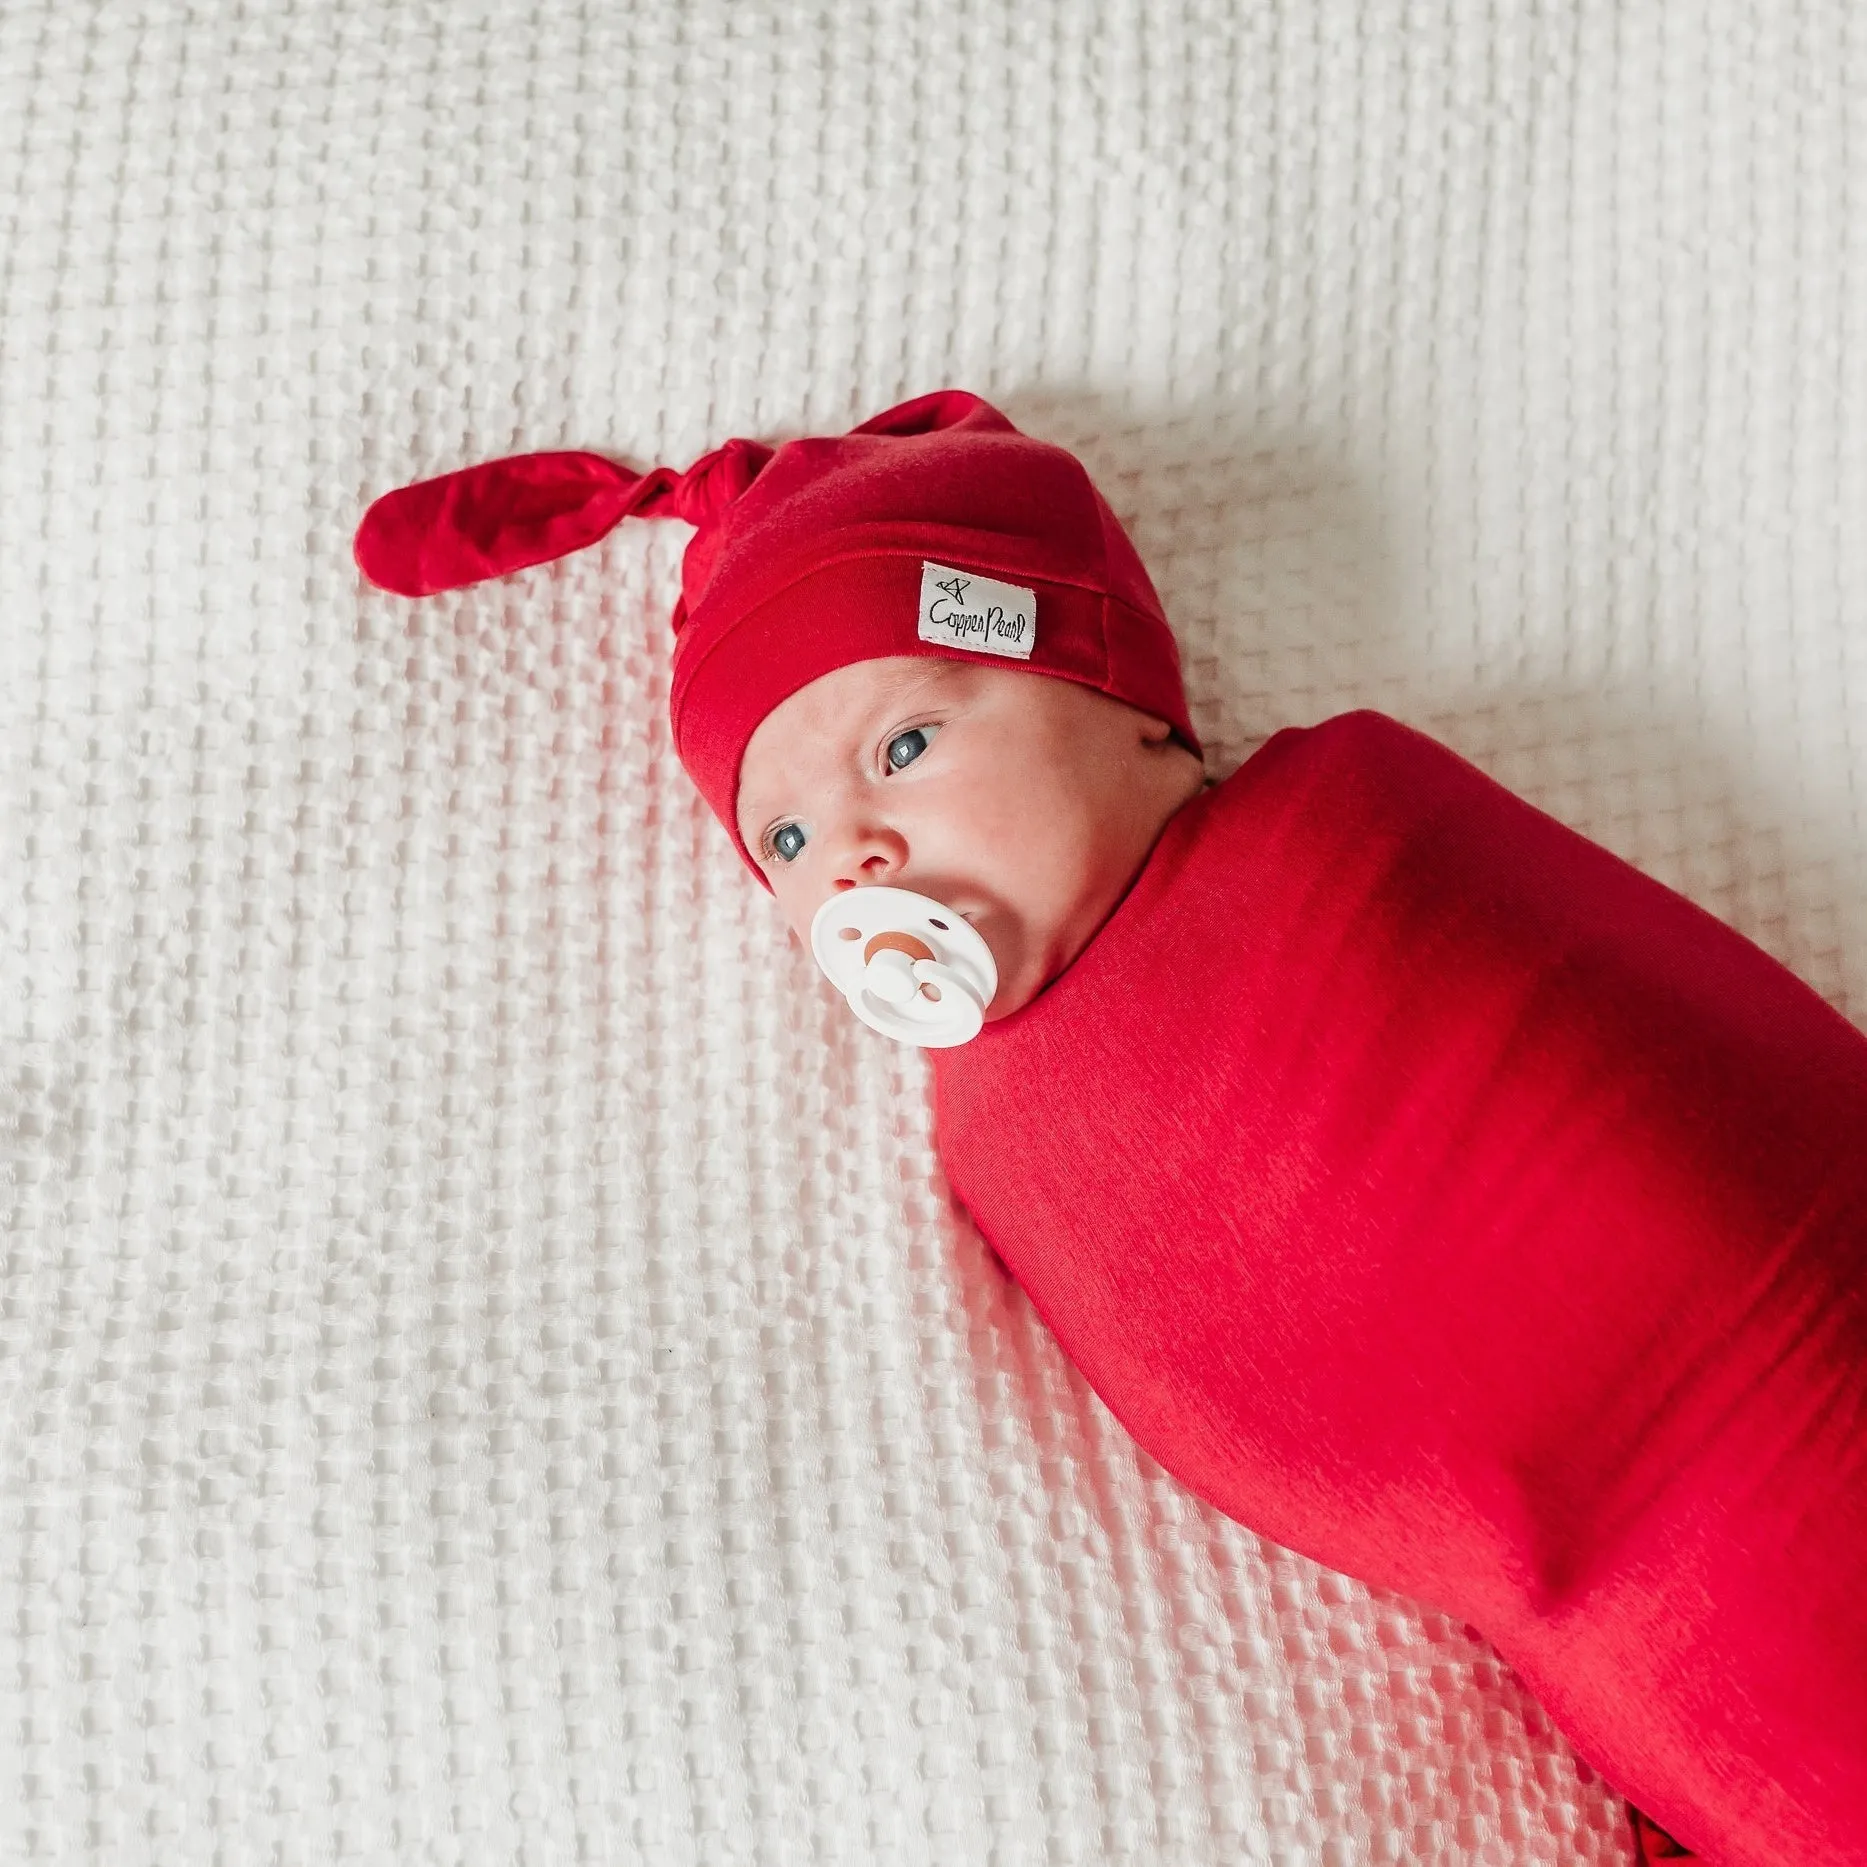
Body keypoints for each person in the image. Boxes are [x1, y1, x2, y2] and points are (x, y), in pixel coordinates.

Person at [357, 390, 1867, 1866]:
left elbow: (1662, 1061)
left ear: (1127, 702)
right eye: (790, 841)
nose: (854, 854)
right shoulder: (991, 1150)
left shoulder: (1343, 826)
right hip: (1653, 1638)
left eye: (901, 749)